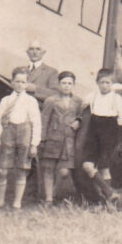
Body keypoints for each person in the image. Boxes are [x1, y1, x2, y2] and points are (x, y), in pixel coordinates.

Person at [0, 67, 43, 209]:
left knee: (22, 169)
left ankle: (17, 202)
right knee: (2, 169)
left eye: (23, 82)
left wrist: (34, 144)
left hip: (24, 133)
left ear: (26, 84)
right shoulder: (5, 100)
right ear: (12, 82)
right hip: (8, 132)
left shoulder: (31, 101)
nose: (20, 84)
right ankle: (0, 200)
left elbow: (36, 123)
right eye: (17, 81)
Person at [80, 68, 122, 201]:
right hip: (94, 129)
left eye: (108, 83)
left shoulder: (116, 97)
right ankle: (109, 193)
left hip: (110, 129)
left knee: (104, 166)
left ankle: (107, 200)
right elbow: (83, 104)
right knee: (87, 165)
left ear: (112, 83)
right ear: (97, 83)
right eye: (102, 82)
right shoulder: (93, 96)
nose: (105, 85)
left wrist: (115, 133)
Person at [38, 71, 83, 204]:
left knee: (64, 172)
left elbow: (82, 116)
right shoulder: (51, 100)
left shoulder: (78, 101)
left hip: (68, 141)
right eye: (64, 83)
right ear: (59, 84)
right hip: (53, 139)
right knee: (49, 169)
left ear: (74, 85)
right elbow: (44, 119)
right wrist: (42, 139)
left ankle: (55, 192)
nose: (66, 86)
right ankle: (49, 199)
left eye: (69, 83)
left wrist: (78, 121)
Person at [23, 40, 59, 105]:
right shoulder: (22, 70)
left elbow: (56, 94)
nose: (34, 52)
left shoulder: (52, 72)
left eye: (38, 49)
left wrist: (35, 88)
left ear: (43, 52)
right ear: (27, 52)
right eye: (31, 49)